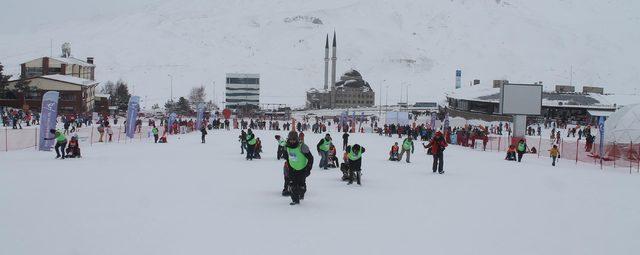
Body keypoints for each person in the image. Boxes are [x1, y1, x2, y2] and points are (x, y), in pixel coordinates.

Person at [283, 131, 314, 205]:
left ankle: (301, 194)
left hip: (303, 169)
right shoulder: (287, 146)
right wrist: (289, 167)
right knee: (292, 185)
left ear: (297, 139)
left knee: (301, 186)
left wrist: (308, 168)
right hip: (292, 169)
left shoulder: (302, 146)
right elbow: (287, 157)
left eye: (294, 140)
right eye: (291, 140)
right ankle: (295, 200)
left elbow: (310, 158)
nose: (292, 141)